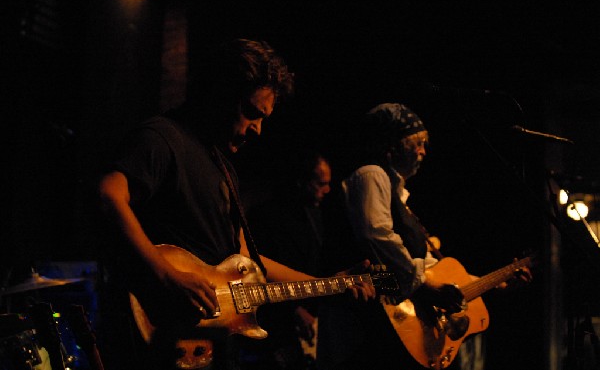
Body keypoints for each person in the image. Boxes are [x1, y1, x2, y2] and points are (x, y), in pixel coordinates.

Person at [95, 39, 375, 370]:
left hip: (207, 348)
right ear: (220, 94)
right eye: (252, 113)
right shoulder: (162, 137)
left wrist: (328, 285)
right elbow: (107, 195)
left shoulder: (224, 167)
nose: (258, 130)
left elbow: (247, 261)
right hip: (156, 341)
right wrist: (167, 275)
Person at [317, 103, 531, 370]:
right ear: (392, 145)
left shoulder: (399, 198)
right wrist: (421, 286)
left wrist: (495, 284)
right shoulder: (371, 174)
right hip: (367, 327)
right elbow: (376, 235)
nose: (423, 151)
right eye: (417, 143)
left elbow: (432, 271)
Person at [240, 149, 332, 370]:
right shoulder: (267, 216)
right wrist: (294, 310)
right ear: (302, 181)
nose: (327, 190)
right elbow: (256, 272)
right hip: (276, 321)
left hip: (308, 318)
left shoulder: (315, 214)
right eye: (320, 184)